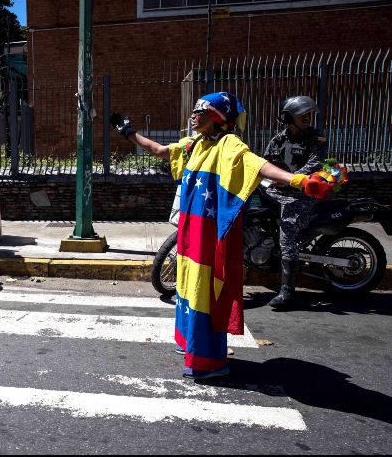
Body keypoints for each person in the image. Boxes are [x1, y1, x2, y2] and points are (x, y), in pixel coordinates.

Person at [111, 92, 333, 380]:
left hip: (207, 236)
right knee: (188, 287)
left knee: (205, 292)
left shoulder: (229, 144)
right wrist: (128, 132)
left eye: (200, 111)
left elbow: (256, 164)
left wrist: (298, 180)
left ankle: (205, 362)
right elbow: (158, 150)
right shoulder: (194, 144)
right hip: (190, 234)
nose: (193, 116)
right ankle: (192, 346)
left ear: (216, 118)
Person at [264, 96, 328, 310]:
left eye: (309, 114)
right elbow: (265, 163)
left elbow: (314, 165)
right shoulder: (277, 140)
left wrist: (287, 180)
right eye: (302, 114)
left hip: (301, 194)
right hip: (278, 190)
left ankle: (287, 292)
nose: (307, 117)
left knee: (287, 235)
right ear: (287, 117)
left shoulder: (316, 138)